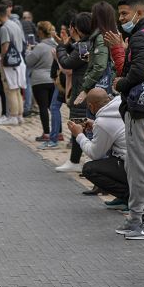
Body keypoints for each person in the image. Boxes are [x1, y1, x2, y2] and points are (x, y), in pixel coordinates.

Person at [110, 0, 144, 241]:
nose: (121, 19)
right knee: (136, 166)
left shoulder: (141, 37)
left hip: (141, 109)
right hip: (142, 109)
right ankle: (135, 219)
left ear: (139, 13)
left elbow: (140, 70)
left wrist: (121, 83)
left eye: (124, 14)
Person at [71, 93, 128, 204]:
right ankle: (126, 197)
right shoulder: (119, 105)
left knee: (89, 169)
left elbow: (95, 154)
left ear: (91, 106)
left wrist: (79, 135)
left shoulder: (103, 121)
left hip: (131, 166)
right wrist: (95, 125)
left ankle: (129, 197)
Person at [54, 13, 92, 173]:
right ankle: (75, 160)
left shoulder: (84, 45)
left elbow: (68, 63)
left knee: (79, 124)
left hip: (81, 90)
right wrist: (68, 46)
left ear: (76, 28)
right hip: (83, 89)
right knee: (81, 124)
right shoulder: (86, 43)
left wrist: (61, 47)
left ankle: (77, 161)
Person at [24, 21, 57, 146]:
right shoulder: (55, 44)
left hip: (40, 80)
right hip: (53, 79)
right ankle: (58, 132)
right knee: (53, 107)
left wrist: (28, 50)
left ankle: (46, 133)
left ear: (41, 32)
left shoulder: (40, 47)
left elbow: (29, 61)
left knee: (43, 107)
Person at [0, 3, 26, 126]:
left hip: (10, 62)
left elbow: (5, 46)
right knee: (17, 89)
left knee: (10, 89)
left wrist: (2, 62)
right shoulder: (15, 24)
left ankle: (13, 116)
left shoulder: (4, 28)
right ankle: (19, 115)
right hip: (19, 59)